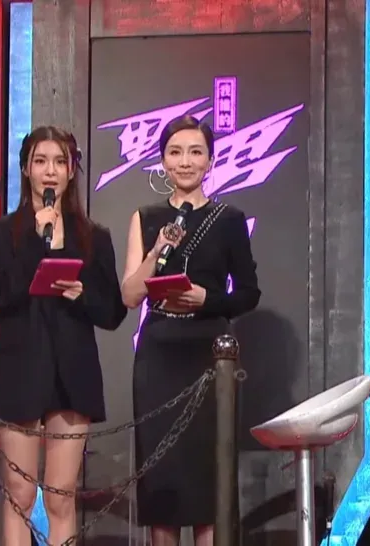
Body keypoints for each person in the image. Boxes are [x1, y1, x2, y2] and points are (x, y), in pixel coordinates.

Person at [0, 126, 128, 546]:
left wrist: (82, 295)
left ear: (71, 171)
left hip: (72, 374)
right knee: (19, 494)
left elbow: (112, 312)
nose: (50, 171)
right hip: (20, 370)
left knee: (61, 496)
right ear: (26, 169)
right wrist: (33, 241)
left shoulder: (93, 237)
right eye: (41, 161)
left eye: (60, 162)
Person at [121, 115, 261, 546]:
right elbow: (129, 294)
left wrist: (207, 299)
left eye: (195, 152)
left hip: (208, 356)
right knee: (162, 483)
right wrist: (157, 252)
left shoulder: (229, 218)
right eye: (175, 152)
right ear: (163, 161)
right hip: (158, 357)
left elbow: (249, 293)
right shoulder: (145, 217)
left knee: (206, 483)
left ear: (210, 160)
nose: (185, 161)